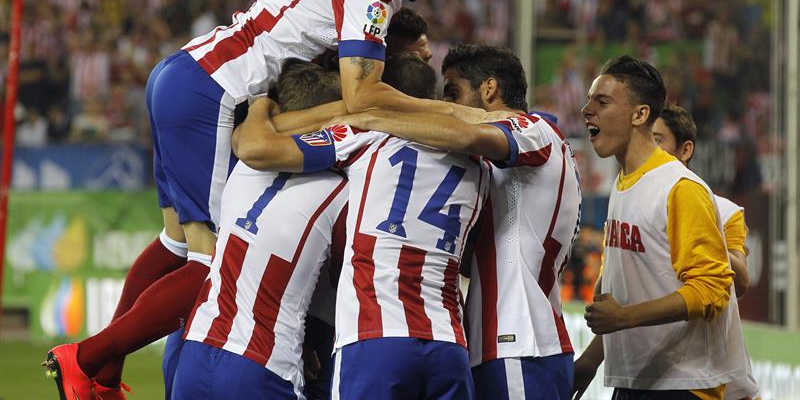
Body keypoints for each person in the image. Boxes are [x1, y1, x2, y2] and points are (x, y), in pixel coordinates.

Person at [45, 0, 484, 400]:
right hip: (218, 93)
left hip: (183, 73)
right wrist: (455, 114)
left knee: (174, 244)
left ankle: (99, 375)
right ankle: (85, 357)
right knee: (213, 265)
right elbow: (362, 95)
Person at [233, 54, 491, 399]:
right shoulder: (481, 162)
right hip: (448, 342)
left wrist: (262, 104)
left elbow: (256, 148)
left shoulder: (365, 137)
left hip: (376, 338)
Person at [335, 43, 581, 399]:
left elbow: (465, 133)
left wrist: (371, 117)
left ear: (489, 89)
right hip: (501, 344)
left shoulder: (533, 128)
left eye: (453, 93)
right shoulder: (500, 165)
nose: (447, 107)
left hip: (517, 340)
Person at [572, 56, 748, 400]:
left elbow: (713, 289)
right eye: (590, 99)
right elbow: (625, 294)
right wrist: (591, 360)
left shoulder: (679, 188)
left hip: (684, 383)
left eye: (602, 101)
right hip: (636, 379)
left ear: (640, 115)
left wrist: (625, 318)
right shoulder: (624, 183)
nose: (586, 110)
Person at [171, 60, 348, 399]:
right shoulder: (341, 194)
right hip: (264, 364)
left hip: (195, 352)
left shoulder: (240, 164)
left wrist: (262, 105)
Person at [652, 103, 759, 400]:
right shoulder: (630, 199)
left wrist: (702, 230)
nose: (649, 148)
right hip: (638, 371)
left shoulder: (724, 211)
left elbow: (740, 282)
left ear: (686, 150)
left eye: (658, 140)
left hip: (696, 375)